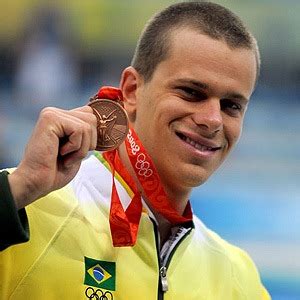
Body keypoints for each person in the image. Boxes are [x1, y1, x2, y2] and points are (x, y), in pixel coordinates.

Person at [0, 1, 271, 299]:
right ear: (131, 90)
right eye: (191, 93)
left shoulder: (237, 277)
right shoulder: (23, 208)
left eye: (231, 106)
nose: (212, 120)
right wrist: (18, 189)